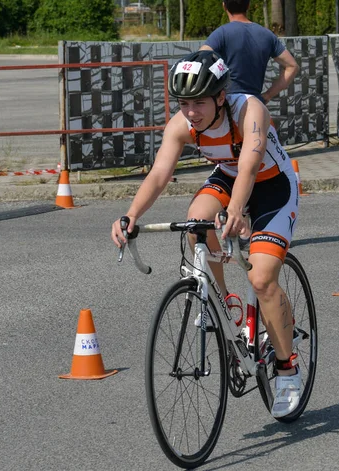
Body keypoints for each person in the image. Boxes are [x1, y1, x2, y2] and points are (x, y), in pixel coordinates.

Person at [111, 50, 301, 418]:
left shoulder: (250, 111)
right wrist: (131, 215)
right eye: (184, 103)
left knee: (262, 280)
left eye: (199, 102)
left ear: (220, 96)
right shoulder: (182, 124)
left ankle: (286, 367)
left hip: (273, 187)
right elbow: (159, 174)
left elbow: (249, 167)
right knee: (196, 221)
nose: (191, 111)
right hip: (228, 179)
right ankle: (221, 299)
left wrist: (235, 212)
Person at [199, 0, 299, 104]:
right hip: (254, 103)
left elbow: (200, 59)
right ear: (248, 6)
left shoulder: (221, 33)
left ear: (224, 6)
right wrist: (267, 95)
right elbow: (292, 66)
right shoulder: (267, 35)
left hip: (226, 105)